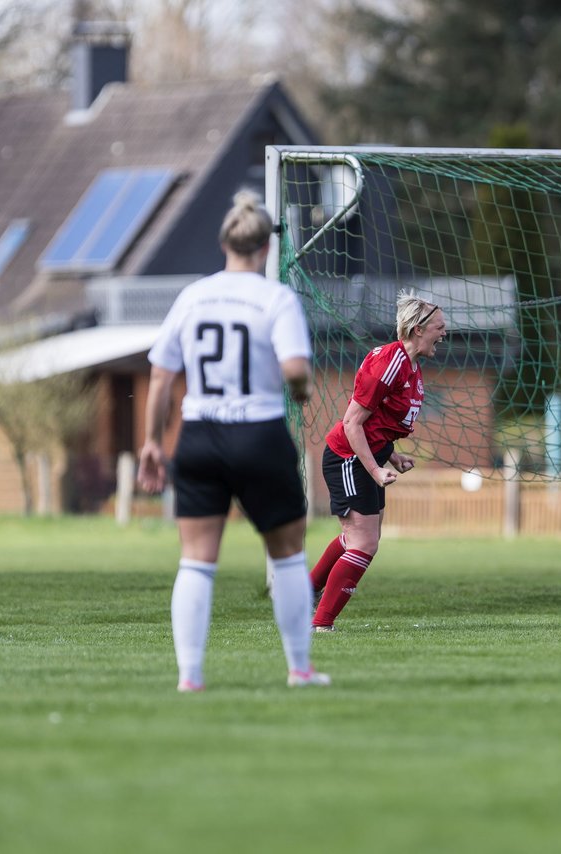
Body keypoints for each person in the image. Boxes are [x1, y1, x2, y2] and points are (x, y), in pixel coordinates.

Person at [137, 191, 329, 691]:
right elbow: (295, 370)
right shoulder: (276, 298)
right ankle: (299, 669)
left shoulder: (193, 297)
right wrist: (302, 388)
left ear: (225, 243)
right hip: (258, 432)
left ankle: (190, 676)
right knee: (287, 553)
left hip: (198, 434)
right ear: (266, 247)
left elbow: (160, 378)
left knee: (196, 560)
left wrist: (153, 443)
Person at [309, 292, 447, 631]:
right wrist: (374, 468)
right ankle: (319, 624)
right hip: (347, 457)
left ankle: (303, 593)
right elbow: (353, 423)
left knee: (361, 537)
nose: (444, 333)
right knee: (364, 542)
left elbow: (376, 426)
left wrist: (392, 455)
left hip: (366, 457)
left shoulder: (411, 367)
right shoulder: (391, 362)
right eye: (439, 327)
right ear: (417, 330)